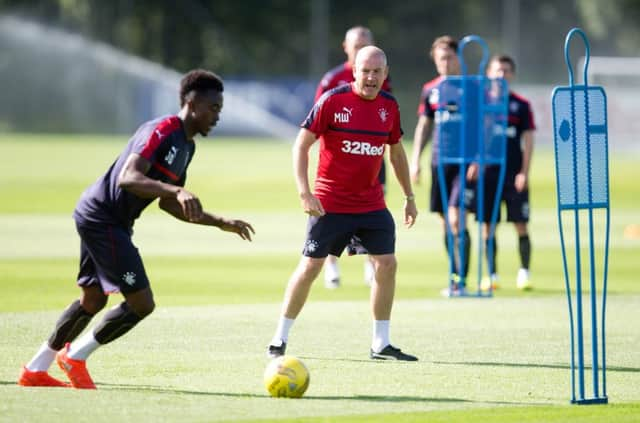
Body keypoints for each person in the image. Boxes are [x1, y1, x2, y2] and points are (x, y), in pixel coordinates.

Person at [18, 69, 255, 389]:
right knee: (142, 303)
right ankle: (74, 357)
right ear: (192, 101)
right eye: (213, 108)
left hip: (105, 219)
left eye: (219, 110)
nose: (217, 116)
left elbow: (170, 203)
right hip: (103, 218)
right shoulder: (162, 129)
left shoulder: (187, 147)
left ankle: (35, 369)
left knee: (93, 300)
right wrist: (175, 191)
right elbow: (128, 178)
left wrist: (219, 222)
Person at [267, 46, 418, 361]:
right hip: (331, 203)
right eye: (366, 71)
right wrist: (304, 192)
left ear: (385, 74)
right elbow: (301, 145)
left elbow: (397, 153)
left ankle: (381, 344)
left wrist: (409, 197)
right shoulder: (333, 100)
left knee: (387, 264)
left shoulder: (389, 107)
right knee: (311, 267)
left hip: (371, 203)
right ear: (355, 71)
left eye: (377, 72)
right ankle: (279, 339)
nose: (371, 77)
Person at [315, 26, 393, 289]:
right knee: (331, 216)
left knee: (372, 207)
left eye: (365, 43)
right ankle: (331, 265)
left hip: (371, 156)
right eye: (356, 44)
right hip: (339, 161)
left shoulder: (380, 77)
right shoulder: (332, 80)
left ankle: (370, 264)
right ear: (345, 47)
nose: (361, 48)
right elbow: (316, 124)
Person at [409, 35, 471, 296]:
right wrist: (415, 160)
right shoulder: (431, 89)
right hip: (439, 161)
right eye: (439, 58)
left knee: (457, 220)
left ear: (457, 58)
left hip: (464, 162)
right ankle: (454, 275)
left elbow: (483, 127)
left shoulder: (471, 87)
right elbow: (425, 125)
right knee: (445, 222)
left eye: (448, 57)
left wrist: (477, 158)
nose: (444, 63)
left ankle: (462, 281)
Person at [473, 55, 535, 291]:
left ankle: (524, 273)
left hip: (513, 174)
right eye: (498, 70)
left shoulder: (520, 105)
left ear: (513, 75)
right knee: (488, 225)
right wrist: (476, 161)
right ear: (489, 73)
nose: (502, 75)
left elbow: (528, 141)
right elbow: (475, 138)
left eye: (507, 71)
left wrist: (524, 173)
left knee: (521, 223)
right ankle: (492, 275)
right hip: (489, 173)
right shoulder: (482, 104)